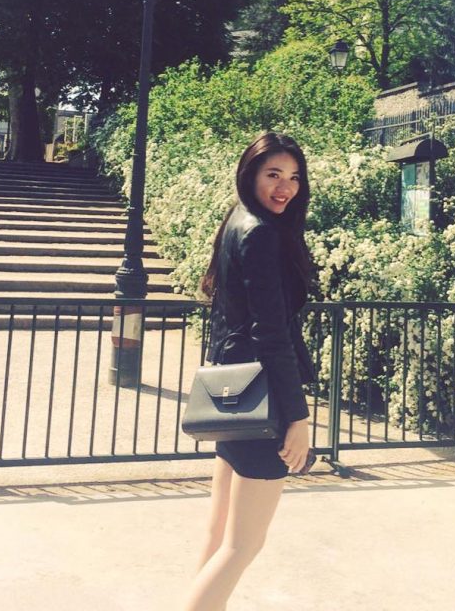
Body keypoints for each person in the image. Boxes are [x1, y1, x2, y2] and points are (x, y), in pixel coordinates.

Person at [182, 131, 315, 611]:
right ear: (250, 175)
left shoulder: (239, 221)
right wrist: (297, 418)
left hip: (236, 394)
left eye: (294, 177)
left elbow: (227, 318)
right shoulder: (261, 233)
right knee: (242, 545)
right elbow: (270, 335)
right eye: (273, 175)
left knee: (221, 535)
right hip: (263, 402)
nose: (285, 187)